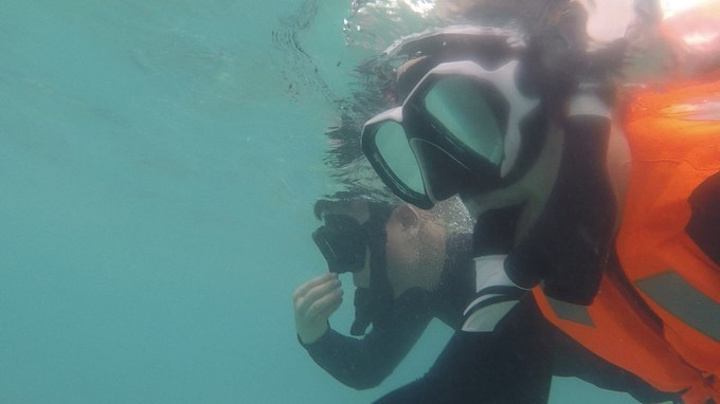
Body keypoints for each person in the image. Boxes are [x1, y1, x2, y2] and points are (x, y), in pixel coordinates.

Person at [358, 8, 719, 404]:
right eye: (426, 158)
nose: (453, 186)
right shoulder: (544, 286)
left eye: (473, 126)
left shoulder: (703, 194)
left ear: (565, 96)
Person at [293, 194, 681, 403]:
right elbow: (368, 367)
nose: (348, 271)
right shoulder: (422, 287)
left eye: (350, 243)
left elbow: (446, 392)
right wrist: (314, 336)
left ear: (409, 220)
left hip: (687, 370)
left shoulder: (505, 270)